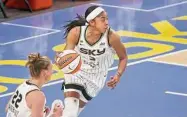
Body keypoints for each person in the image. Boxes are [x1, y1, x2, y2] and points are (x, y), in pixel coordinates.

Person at [57, 5, 128, 117]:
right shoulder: (76, 33)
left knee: (74, 112)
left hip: (96, 77)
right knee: (70, 111)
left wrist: (118, 75)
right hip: (76, 72)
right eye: (103, 19)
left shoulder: (112, 37)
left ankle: (55, 114)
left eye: (107, 18)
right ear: (92, 22)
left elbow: (123, 57)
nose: (107, 22)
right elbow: (67, 55)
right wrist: (61, 59)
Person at [6, 53, 63, 117]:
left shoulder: (23, 85)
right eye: (51, 69)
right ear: (44, 72)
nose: (52, 71)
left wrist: (39, 110)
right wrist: (54, 115)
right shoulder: (38, 96)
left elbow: (7, 109)